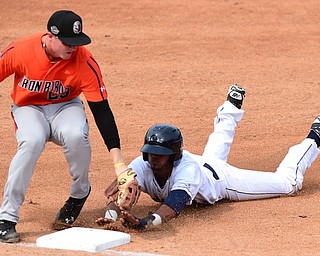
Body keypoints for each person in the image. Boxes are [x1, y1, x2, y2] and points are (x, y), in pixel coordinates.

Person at [95, 85, 320, 231]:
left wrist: (146, 223)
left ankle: (314, 137)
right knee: (215, 149)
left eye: (161, 155)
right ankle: (230, 109)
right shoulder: (142, 165)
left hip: (221, 180)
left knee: (287, 184)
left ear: (173, 156)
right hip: (203, 166)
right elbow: (118, 191)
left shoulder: (187, 171)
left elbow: (173, 206)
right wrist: (112, 214)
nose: (154, 158)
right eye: (151, 152)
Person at [0, 10, 130, 243]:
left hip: (66, 107)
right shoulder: (20, 50)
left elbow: (102, 112)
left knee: (76, 135)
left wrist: (118, 163)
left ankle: (78, 195)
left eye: (77, 42)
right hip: (29, 108)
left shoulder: (85, 61)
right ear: (50, 36)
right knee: (32, 141)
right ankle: (7, 218)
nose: (73, 47)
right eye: (68, 42)